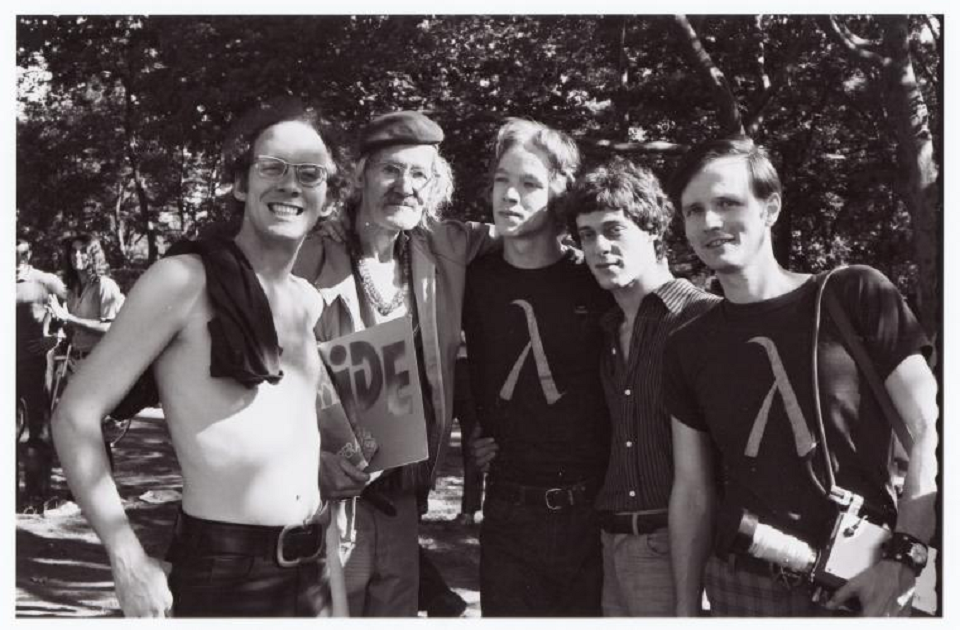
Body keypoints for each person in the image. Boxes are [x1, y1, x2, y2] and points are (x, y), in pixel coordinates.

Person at [51, 98, 340, 617]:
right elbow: (75, 415)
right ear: (239, 183)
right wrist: (126, 556)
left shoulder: (306, 300)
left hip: (312, 567)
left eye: (309, 173)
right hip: (223, 573)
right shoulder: (185, 279)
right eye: (271, 167)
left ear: (328, 194)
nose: (290, 185)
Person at [664, 136, 939, 616]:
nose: (710, 222)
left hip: (863, 579)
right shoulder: (686, 343)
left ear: (770, 208)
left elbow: (929, 432)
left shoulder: (855, 294)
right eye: (694, 210)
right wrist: (686, 611)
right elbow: (692, 491)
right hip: (741, 587)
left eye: (727, 203)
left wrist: (905, 558)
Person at [293, 110, 496, 616]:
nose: (405, 186)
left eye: (419, 174)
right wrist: (312, 469)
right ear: (359, 174)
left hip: (404, 503)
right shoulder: (308, 256)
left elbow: (525, 235)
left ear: (435, 185)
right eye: (390, 169)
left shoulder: (442, 248)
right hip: (323, 502)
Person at [464, 118, 611, 616]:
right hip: (507, 513)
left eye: (529, 184)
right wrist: (474, 428)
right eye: (502, 180)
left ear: (561, 193)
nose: (510, 196)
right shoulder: (469, 282)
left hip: (592, 515)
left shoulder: (596, 281)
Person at [563, 158, 720, 616]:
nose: (600, 247)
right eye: (588, 235)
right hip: (609, 542)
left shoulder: (701, 318)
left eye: (614, 230)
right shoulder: (607, 328)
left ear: (654, 231)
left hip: (675, 547)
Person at [16, 238, 67, 511]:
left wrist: (54, 339)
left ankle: (37, 495)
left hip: (34, 367)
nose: (15, 261)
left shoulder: (46, 281)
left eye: (20, 254)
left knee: (38, 430)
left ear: (28, 254)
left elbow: (69, 312)